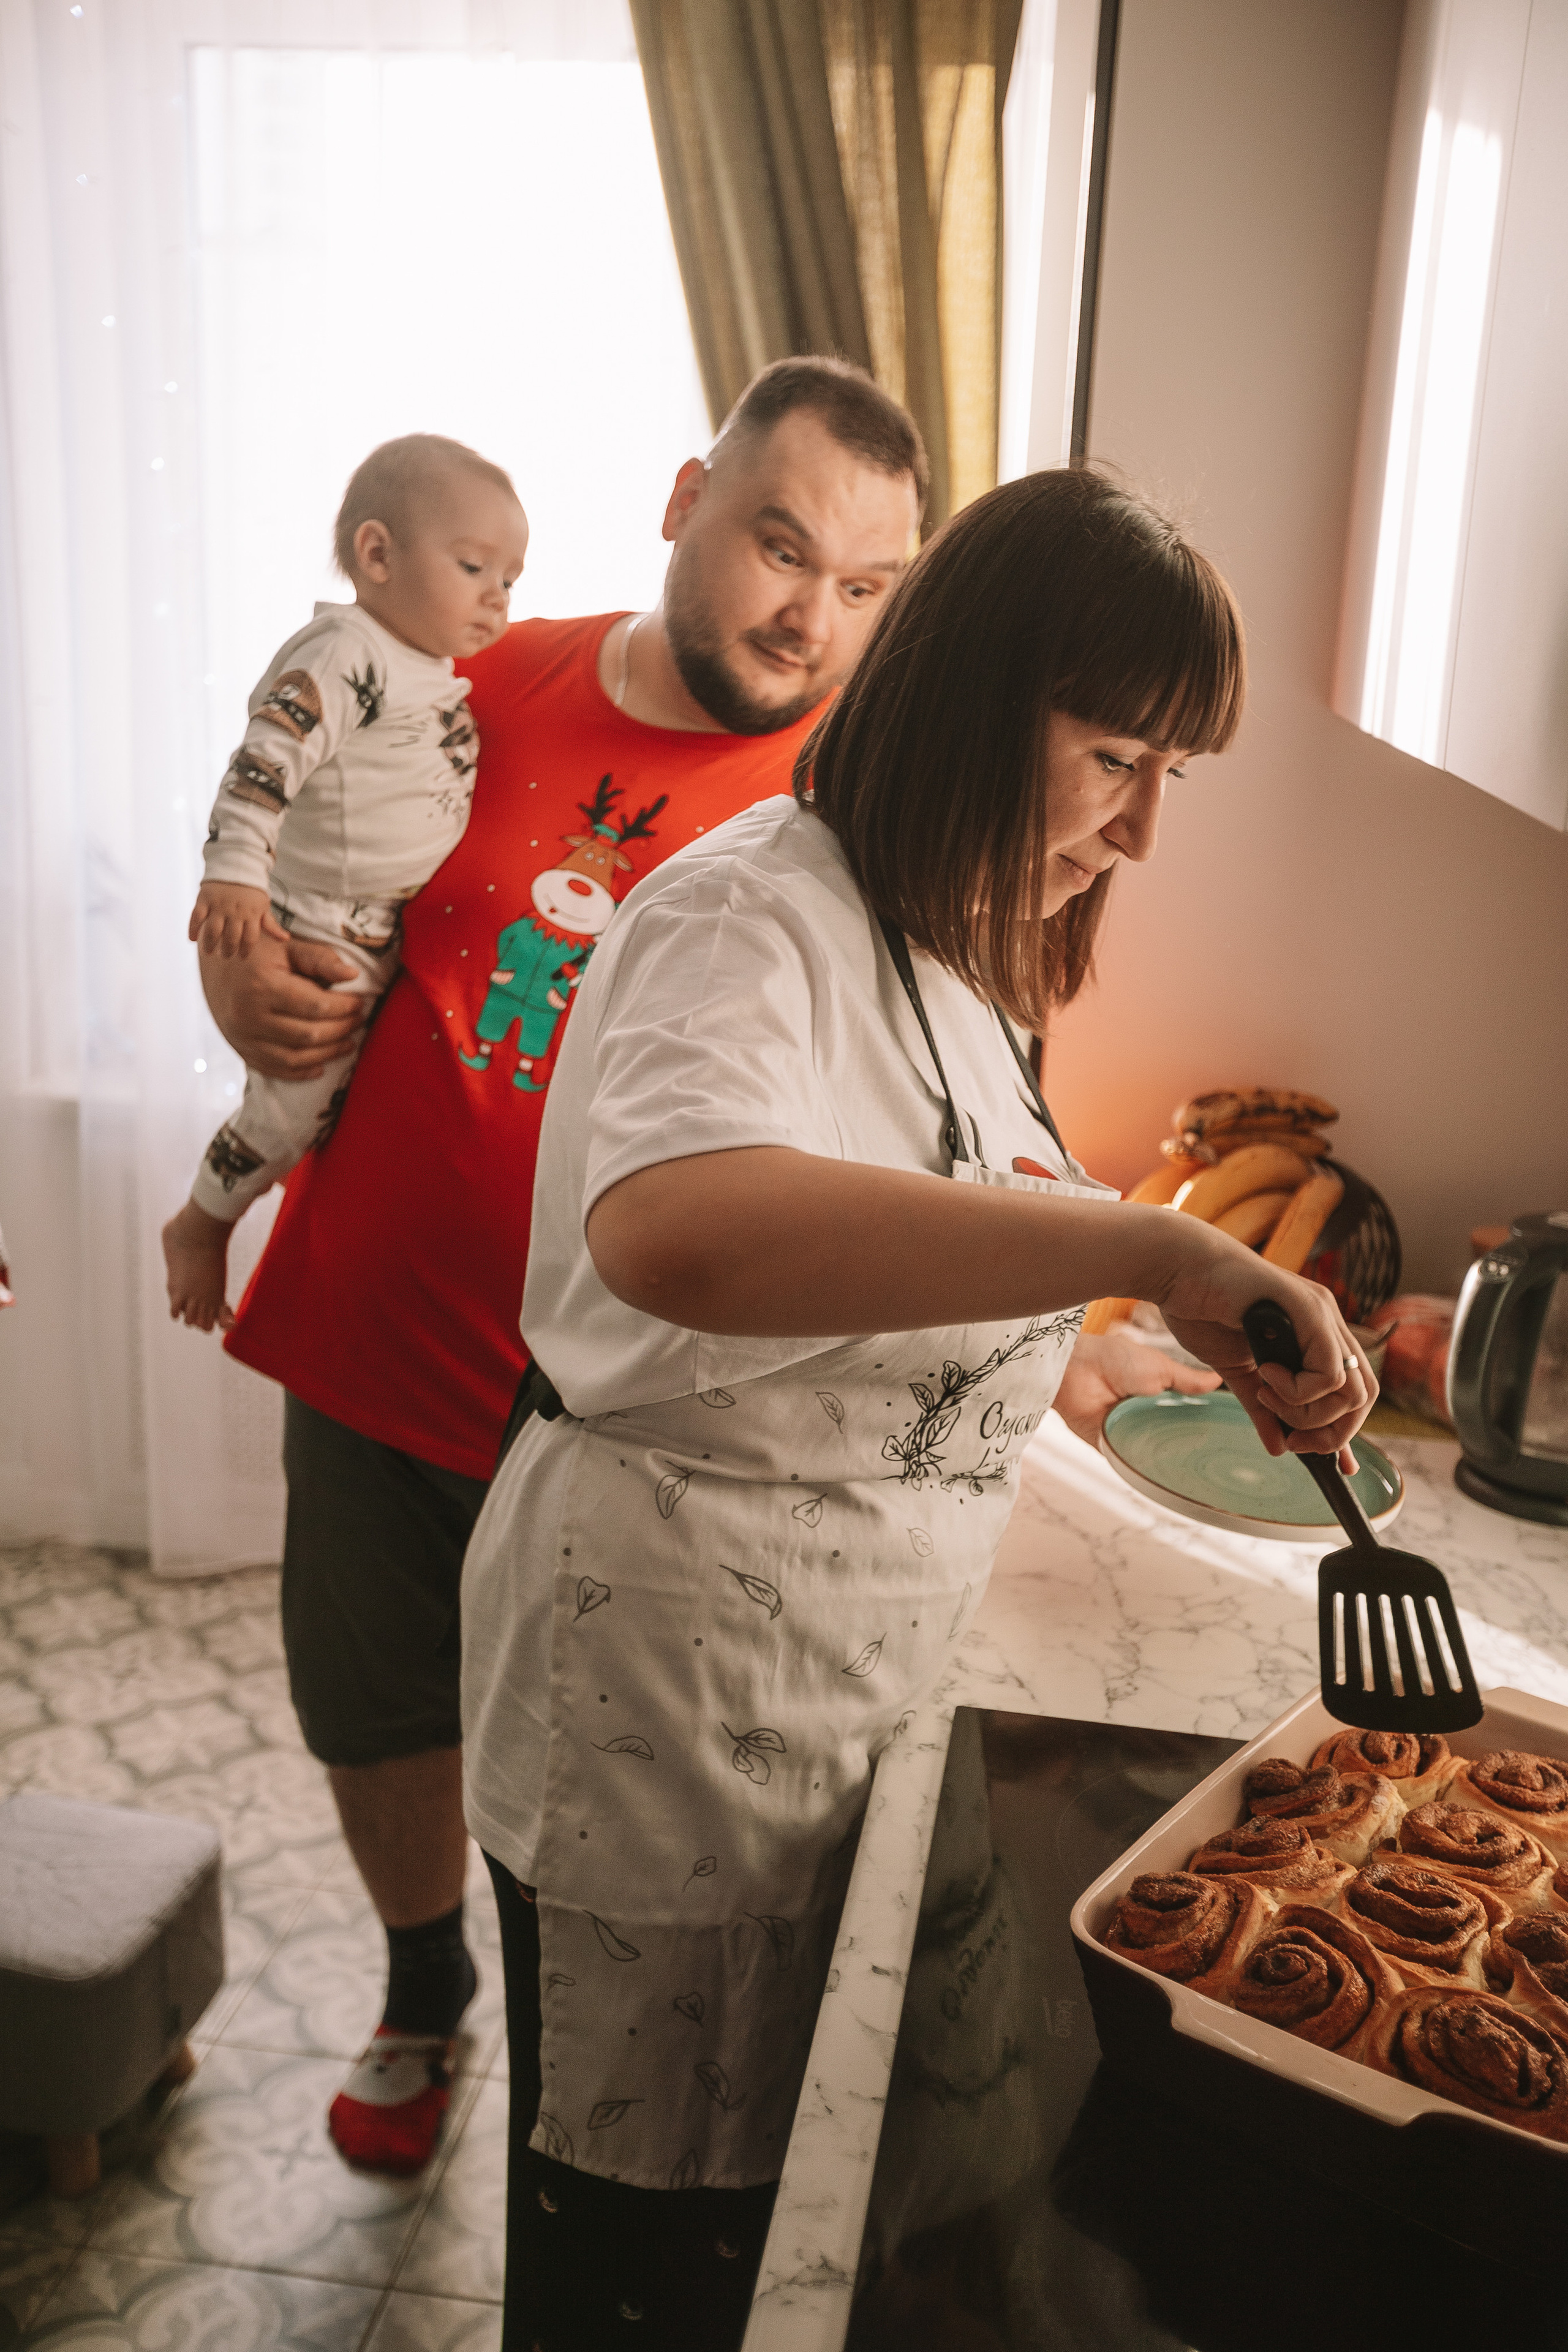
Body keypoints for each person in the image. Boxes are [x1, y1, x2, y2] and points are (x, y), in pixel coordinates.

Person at [459, 464, 1377, 2350]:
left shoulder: (949, 959)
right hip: (676, 1721)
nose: (1136, 833)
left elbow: (909, 1284)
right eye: (1117, 756)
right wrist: (1147, 1241)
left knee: (747, 2239)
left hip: (820, 1705)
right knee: (635, 2276)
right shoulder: (753, 921)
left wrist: (1135, 1349)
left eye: (1167, 779)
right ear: (973, 698)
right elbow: (685, 1236)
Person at [201, 359, 930, 2177]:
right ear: (686, 498)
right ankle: (418, 1981)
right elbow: (295, 884)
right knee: (373, 1715)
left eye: (865, 586)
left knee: (589, 1794)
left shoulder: (860, 800)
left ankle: (555, 2065)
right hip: (371, 1343)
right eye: (781, 546)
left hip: (626, 1429)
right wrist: (237, 982)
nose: (810, 614)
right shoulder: (472, 677)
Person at [163, 435, 529, 1332]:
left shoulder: (430, 669)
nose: (499, 596)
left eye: (512, 578)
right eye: (476, 565)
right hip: (316, 921)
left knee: (344, 1118)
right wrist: (237, 876)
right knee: (292, 1111)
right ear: (377, 555)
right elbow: (265, 762)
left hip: (378, 924)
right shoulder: (348, 651)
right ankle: (203, 1222)